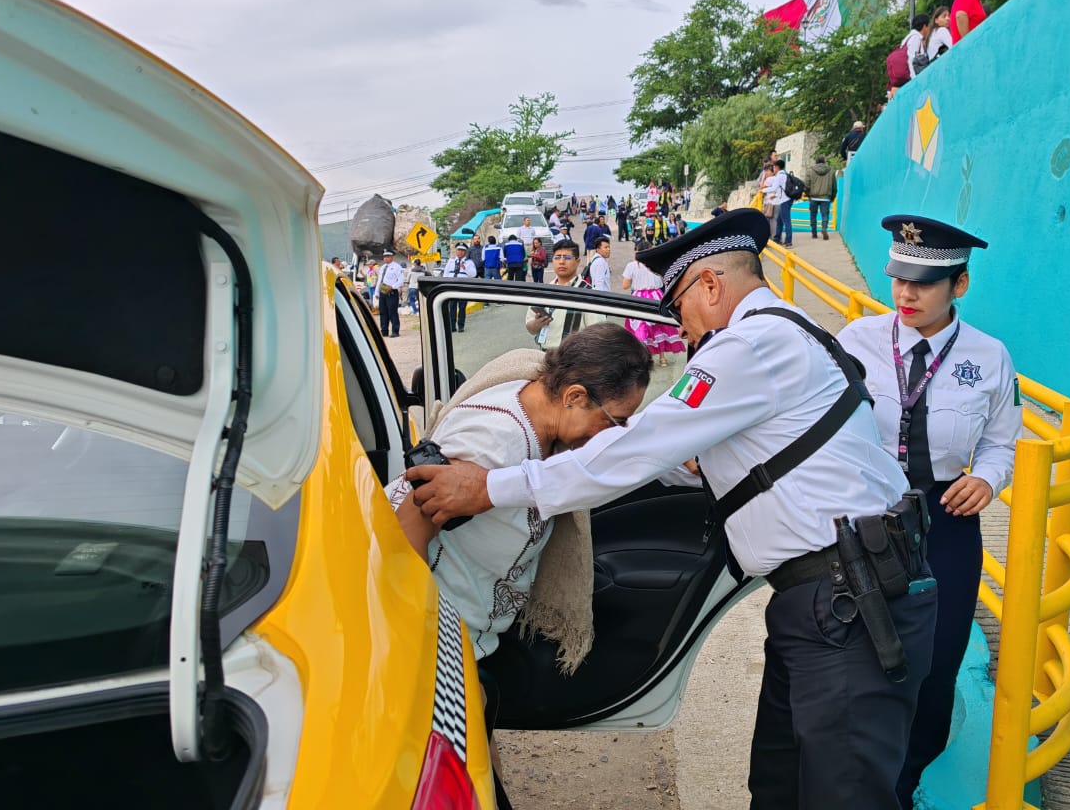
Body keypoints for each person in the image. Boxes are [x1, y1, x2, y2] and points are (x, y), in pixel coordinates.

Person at [409, 209, 938, 810]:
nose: (681, 328)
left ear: (710, 284)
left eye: (679, 303)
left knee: (841, 796)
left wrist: (492, 487)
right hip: (827, 601)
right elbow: (673, 453)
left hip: (849, 600)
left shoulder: (751, 345)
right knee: (781, 787)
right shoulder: (784, 336)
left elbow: (637, 447)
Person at [837, 215, 1021, 810]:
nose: (906, 295)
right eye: (899, 279)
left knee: (938, 659)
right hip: (866, 512)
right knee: (857, 650)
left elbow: (1000, 442)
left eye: (924, 283)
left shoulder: (989, 357)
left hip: (945, 519)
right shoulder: (857, 340)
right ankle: (857, 774)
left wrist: (988, 480)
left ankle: (906, 779)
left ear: (959, 286)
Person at [388, 323, 651, 661]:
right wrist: (420, 642)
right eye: (615, 421)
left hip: (465, 628)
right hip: (438, 635)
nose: (612, 434)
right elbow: (404, 533)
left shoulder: (533, 385)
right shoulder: (492, 444)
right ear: (574, 396)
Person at [621, 239, 685, 367]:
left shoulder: (632, 266)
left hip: (639, 298)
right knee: (659, 327)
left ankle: (643, 358)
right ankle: (662, 358)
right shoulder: (657, 264)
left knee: (641, 328)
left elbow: (625, 285)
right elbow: (664, 281)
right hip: (656, 296)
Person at [523, 238, 594, 349]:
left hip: (573, 360)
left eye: (567, 257)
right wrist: (537, 324)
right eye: (557, 257)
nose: (561, 262)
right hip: (544, 356)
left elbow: (596, 335)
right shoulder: (544, 291)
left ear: (578, 262)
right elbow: (530, 328)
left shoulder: (588, 293)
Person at [442, 243, 478, 332]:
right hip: (452, 285)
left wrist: (465, 268)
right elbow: (446, 273)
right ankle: (452, 326)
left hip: (462, 286)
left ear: (465, 252)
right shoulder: (451, 261)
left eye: (462, 251)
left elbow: (473, 274)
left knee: (462, 307)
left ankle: (461, 326)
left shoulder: (469, 262)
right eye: (458, 250)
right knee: (452, 307)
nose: (460, 252)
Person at [762, 158, 792, 248]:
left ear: (777, 167)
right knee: (779, 220)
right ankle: (777, 239)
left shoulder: (780, 176)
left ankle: (789, 242)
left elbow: (774, 188)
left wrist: (762, 190)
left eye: (774, 167)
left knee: (786, 221)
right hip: (786, 199)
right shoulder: (785, 175)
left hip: (784, 200)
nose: (773, 169)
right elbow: (780, 189)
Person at [805, 155, 835, 240]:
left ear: (816, 161)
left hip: (813, 197)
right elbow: (834, 186)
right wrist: (832, 197)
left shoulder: (810, 171)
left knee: (813, 215)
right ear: (824, 161)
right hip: (826, 197)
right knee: (825, 215)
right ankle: (824, 229)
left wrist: (808, 194)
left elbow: (807, 184)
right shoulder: (831, 171)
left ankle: (814, 233)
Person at [376, 249, 404, 337]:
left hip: (391, 292)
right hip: (382, 291)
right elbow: (379, 280)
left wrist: (393, 286)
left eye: (388, 257)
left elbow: (401, 281)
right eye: (384, 257)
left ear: (392, 257)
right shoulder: (383, 267)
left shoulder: (397, 267)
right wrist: (376, 292)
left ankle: (395, 331)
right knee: (383, 312)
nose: (386, 259)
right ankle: (384, 330)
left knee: (392, 312)